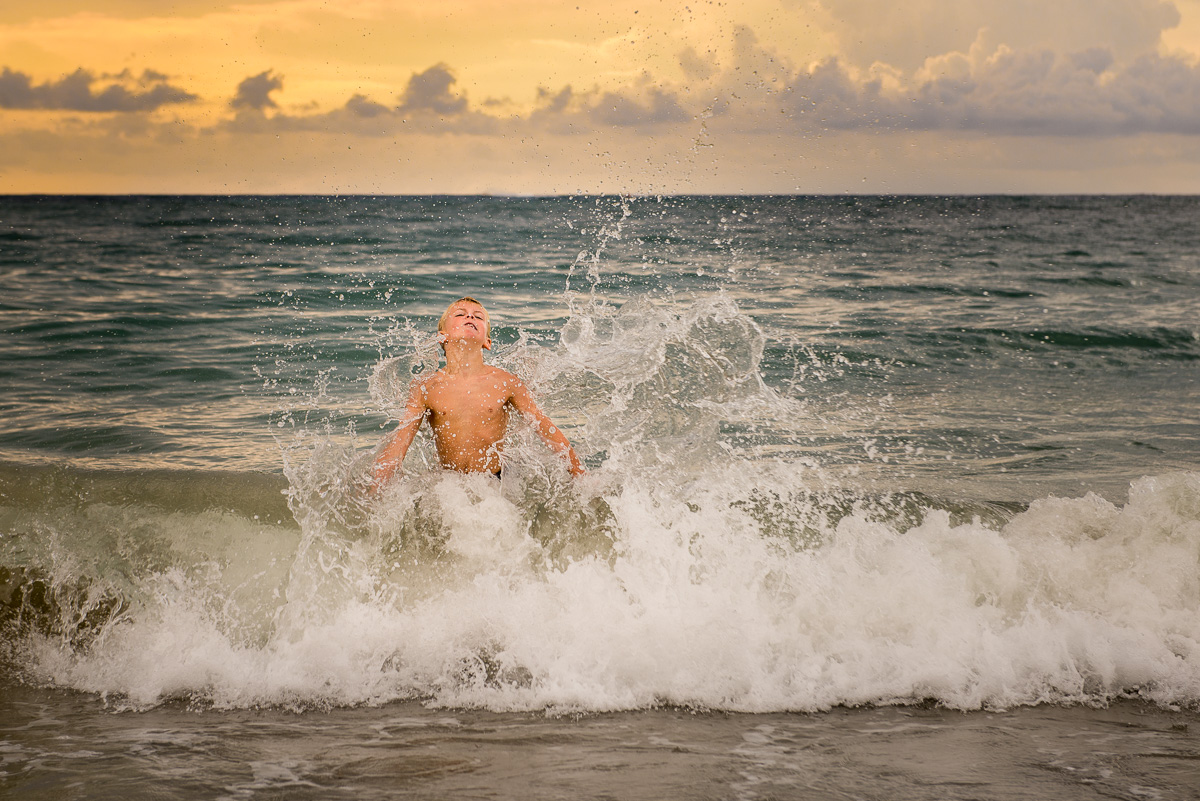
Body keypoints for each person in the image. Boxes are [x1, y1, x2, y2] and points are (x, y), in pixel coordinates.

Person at [371, 297, 584, 491]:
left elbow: (545, 429)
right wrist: (377, 485)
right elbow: (399, 444)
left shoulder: (505, 382)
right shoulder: (427, 386)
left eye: (478, 316)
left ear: (487, 342)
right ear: (442, 337)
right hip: (448, 484)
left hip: (494, 481)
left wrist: (578, 472)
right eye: (460, 314)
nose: (470, 316)